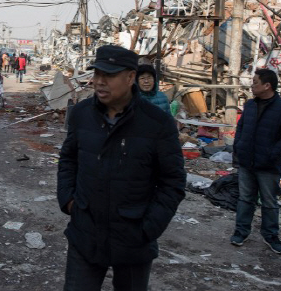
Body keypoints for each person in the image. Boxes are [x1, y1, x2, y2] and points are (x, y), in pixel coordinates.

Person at [57, 45, 186, 291]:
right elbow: (68, 160)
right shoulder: (82, 114)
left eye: (109, 75)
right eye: (96, 75)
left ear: (130, 77)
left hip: (134, 238)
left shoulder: (157, 123)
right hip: (86, 233)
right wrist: (69, 201)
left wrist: (149, 228)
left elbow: (173, 181)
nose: (99, 82)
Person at [230, 68, 281, 255]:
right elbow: (241, 128)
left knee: (269, 202)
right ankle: (241, 232)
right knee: (245, 199)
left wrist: (271, 153)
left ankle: (271, 236)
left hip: (268, 166)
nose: (252, 85)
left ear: (267, 85)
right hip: (247, 162)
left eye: (255, 82)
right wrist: (238, 148)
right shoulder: (251, 105)